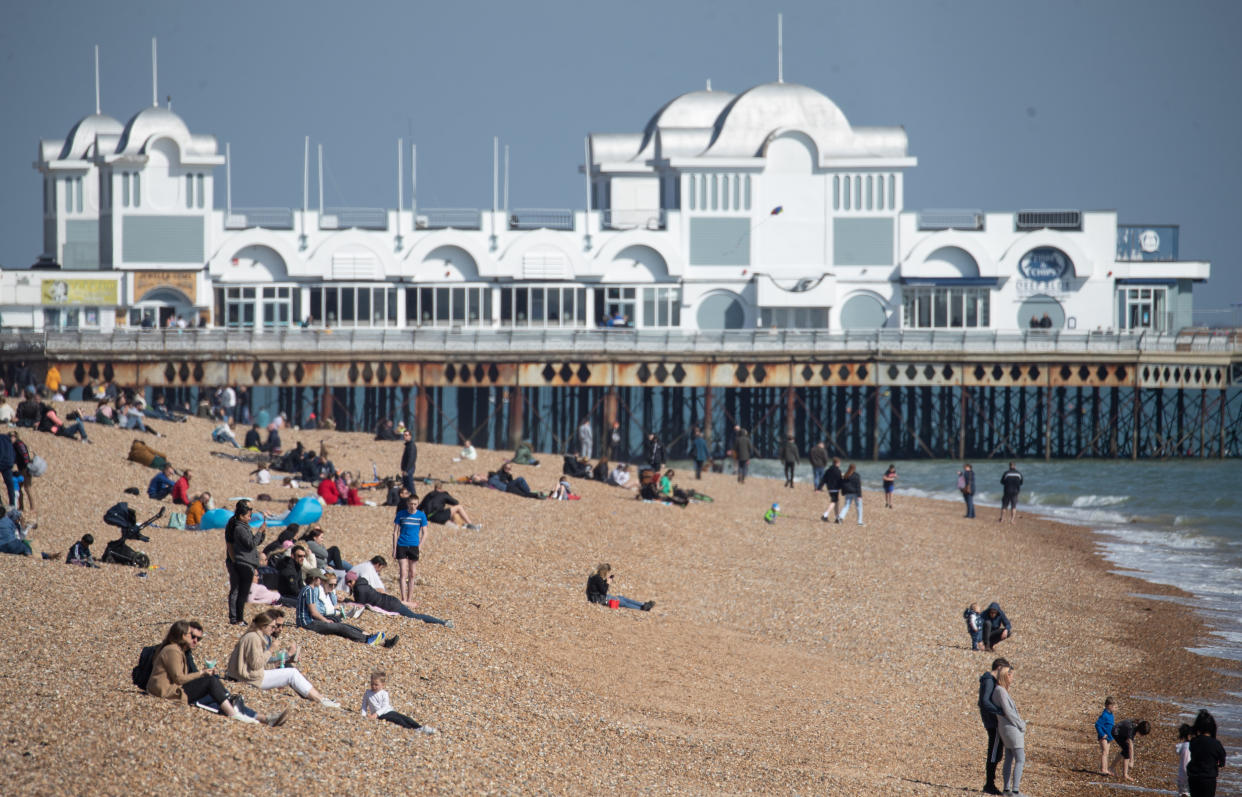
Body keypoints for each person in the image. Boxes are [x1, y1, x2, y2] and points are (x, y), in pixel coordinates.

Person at [148, 620, 288, 726]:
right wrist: (203, 674)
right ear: (182, 635)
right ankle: (235, 714)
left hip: (176, 690)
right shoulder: (172, 650)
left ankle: (262, 718)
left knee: (221, 698)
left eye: (199, 639)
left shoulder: (180, 651)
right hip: (169, 693)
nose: (195, 641)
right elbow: (178, 678)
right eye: (192, 636)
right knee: (212, 685)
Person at [226, 609, 340, 707]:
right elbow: (256, 664)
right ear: (263, 625)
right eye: (272, 626)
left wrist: (285, 660)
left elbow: (258, 663)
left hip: (245, 675)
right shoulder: (254, 638)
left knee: (291, 672)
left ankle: (318, 697)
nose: (274, 629)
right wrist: (271, 649)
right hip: (249, 678)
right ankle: (320, 700)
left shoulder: (254, 636)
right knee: (292, 674)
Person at [297, 569, 392, 646]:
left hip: (307, 622)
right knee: (340, 627)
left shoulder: (308, 589)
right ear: (314, 578)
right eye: (320, 579)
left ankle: (380, 641)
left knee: (341, 626)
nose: (321, 581)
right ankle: (367, 640)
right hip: (307, 624)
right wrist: (325, 620)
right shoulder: (309, 590)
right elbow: (314, 612)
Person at [346, 569, 453, 627]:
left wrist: (348, 602)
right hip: (390, 601)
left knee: (415, 616)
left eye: (348, 583)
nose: (348, 585)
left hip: (392, 605)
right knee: (414, 615)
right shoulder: (362, 584)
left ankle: (442, 622)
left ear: (352, 581)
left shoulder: (359, 589)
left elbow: (359, 604)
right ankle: (442, 622)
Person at [225, 500, 266, 625]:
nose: (251, 514)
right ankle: (237, 618)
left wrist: (262, 534)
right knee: (239, 591)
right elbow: (250, 544)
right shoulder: (237, 527)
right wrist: (259, 532)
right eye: (249, 511)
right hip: (239, 562)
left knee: (239, 591)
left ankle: (237, 618)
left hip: (242, 561)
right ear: (241, 514)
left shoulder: (242, 526)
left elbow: (253, 543)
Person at [991, 664, 1027, 796]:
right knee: (1020, 758)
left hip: (1006, 728)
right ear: (1007, 675)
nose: (1012, 679)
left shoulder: (999, 690)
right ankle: (1015, 790)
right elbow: (1008, 712)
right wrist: (1020, 724)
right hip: (1011, 728)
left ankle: (1007, 789)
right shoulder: (1000, 691)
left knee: (1009, 757)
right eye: (1011, 676)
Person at [361, 671, 436, 733]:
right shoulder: (368, 693)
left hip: (387, 711)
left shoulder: (384, 693)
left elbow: (385, 706)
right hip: (381, 715)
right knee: (398, 720)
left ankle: (420, 727)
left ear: (382, 685)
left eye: (376, 685)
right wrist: (363, 715)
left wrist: (375, 714)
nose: (373, 686)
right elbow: (364, 704)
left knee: (404, 717)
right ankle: (412, 729)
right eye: (372, 684)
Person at [978, 657, 1010, 795]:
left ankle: (990, 783)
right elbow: (984, 702)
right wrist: (1000, 712)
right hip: (994, 723)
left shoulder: (989, 680)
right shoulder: (989, 681)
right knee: (994, 753)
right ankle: (989, 784)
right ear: (999, 668)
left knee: (996, 753)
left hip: (992, 722)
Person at [393, 494, 428, 604]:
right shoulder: (401, 514)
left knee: (412, 573)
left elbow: (425, 533)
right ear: (408, 503)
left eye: (415, 504)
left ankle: (410, 599)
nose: (413, 506)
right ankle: (403, 599)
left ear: (418, 504)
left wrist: (419, 546)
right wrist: (394, 549)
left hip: (414, 545)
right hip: (401, 545)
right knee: (403, 573)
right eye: (411, 504)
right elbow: (395, 532)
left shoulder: (421, 516)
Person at [1187, 709, 1226, 797]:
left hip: (1194, 776)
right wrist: (1221, 763)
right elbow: (1222, 757)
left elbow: (1192, 750)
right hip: (1208, 778)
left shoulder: (1194, 742)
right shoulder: (1216, 743)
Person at [585, 563, 654, 611]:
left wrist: (606, 580)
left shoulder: (594, 575)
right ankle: (641, 608)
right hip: (598, 600)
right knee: (622, 602)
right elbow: (603, 591)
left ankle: (643, 604)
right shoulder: (598, 578)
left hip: (597, 597)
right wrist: (608, 583)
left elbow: (598, 587)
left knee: (621, 598)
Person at [1110, 717, 1152, 783]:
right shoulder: (1131, 729)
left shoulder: (1140, 723)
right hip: (1116, 732)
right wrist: (1131, 761)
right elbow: (1131, 746)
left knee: (1125, 751)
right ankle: (1124, 774)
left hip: (1122, 731)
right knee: (1127, 751)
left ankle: (1112, 768)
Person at [1096, 696, 1116, 775]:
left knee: (1106, 753)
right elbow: (1097, 725)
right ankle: (1103, 769)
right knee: (1104, 752)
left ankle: (1105, 769)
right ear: (1109, 706)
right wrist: (1102, 734)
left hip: (1109, 737)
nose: (1115, 708)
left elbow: (1110, 725)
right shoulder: (1104, 715)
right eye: (1114, 707)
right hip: (1103, 736)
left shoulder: (1111, 714)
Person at [820, 458, 843, 523]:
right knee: (833, 502)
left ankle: (837, 517)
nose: (840, 464)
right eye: (839, 463)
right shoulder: (838, 471)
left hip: (829, 488)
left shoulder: (828, 470)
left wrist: (819, 487)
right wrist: (843, 488)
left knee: (836, 502)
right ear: (837, 463)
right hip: (835, 488)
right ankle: (825, 515)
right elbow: (840, 480)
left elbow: (824, 479)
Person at [400, 429, 418, 497]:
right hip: (406, 469)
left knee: (410, 485)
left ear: (410, 436)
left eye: (407, 435)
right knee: (405, 486)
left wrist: (406, 470)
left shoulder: (411, 446)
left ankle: (414, 498)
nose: (405, 437)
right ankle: (406, 499)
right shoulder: (408, 445)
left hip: (409, 469)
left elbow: (411, 459)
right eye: (404, 435)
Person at [1176, 722, 1192, 796]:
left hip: (1181, 774)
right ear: (1189, 736)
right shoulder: (1192, 746)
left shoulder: (1182, 746)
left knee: (1182, 793)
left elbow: (1177, 749)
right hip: (1189, 774)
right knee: (1188, 793)